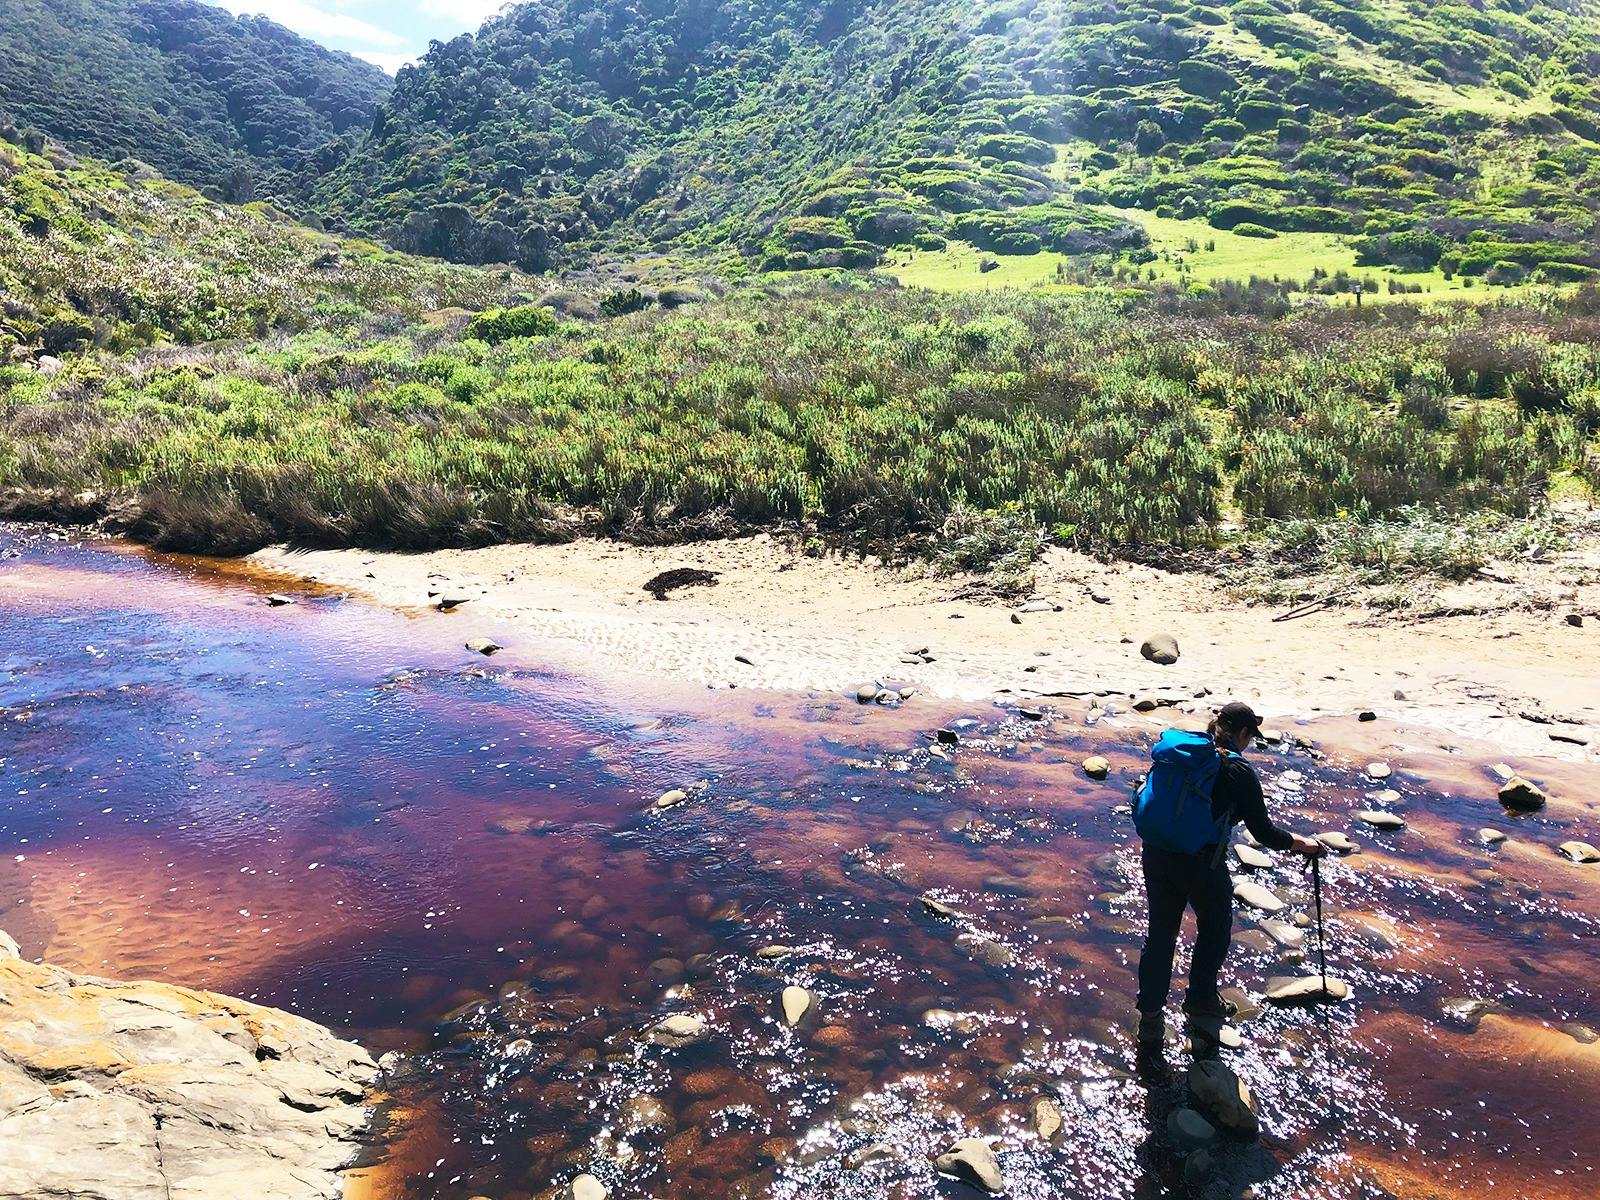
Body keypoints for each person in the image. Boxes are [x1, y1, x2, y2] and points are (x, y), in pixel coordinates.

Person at [1133, 701, 1323, 1061]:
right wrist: (1304, 844)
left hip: (1157, 853)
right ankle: (1201, 1000)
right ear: (1243, 733)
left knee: (1160, 935)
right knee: (1216, 926)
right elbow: (1263, 832)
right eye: (1251, 737)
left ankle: (1151, 1021)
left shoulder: (1184, 755)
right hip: (1202, 864)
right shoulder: (1237, 771)